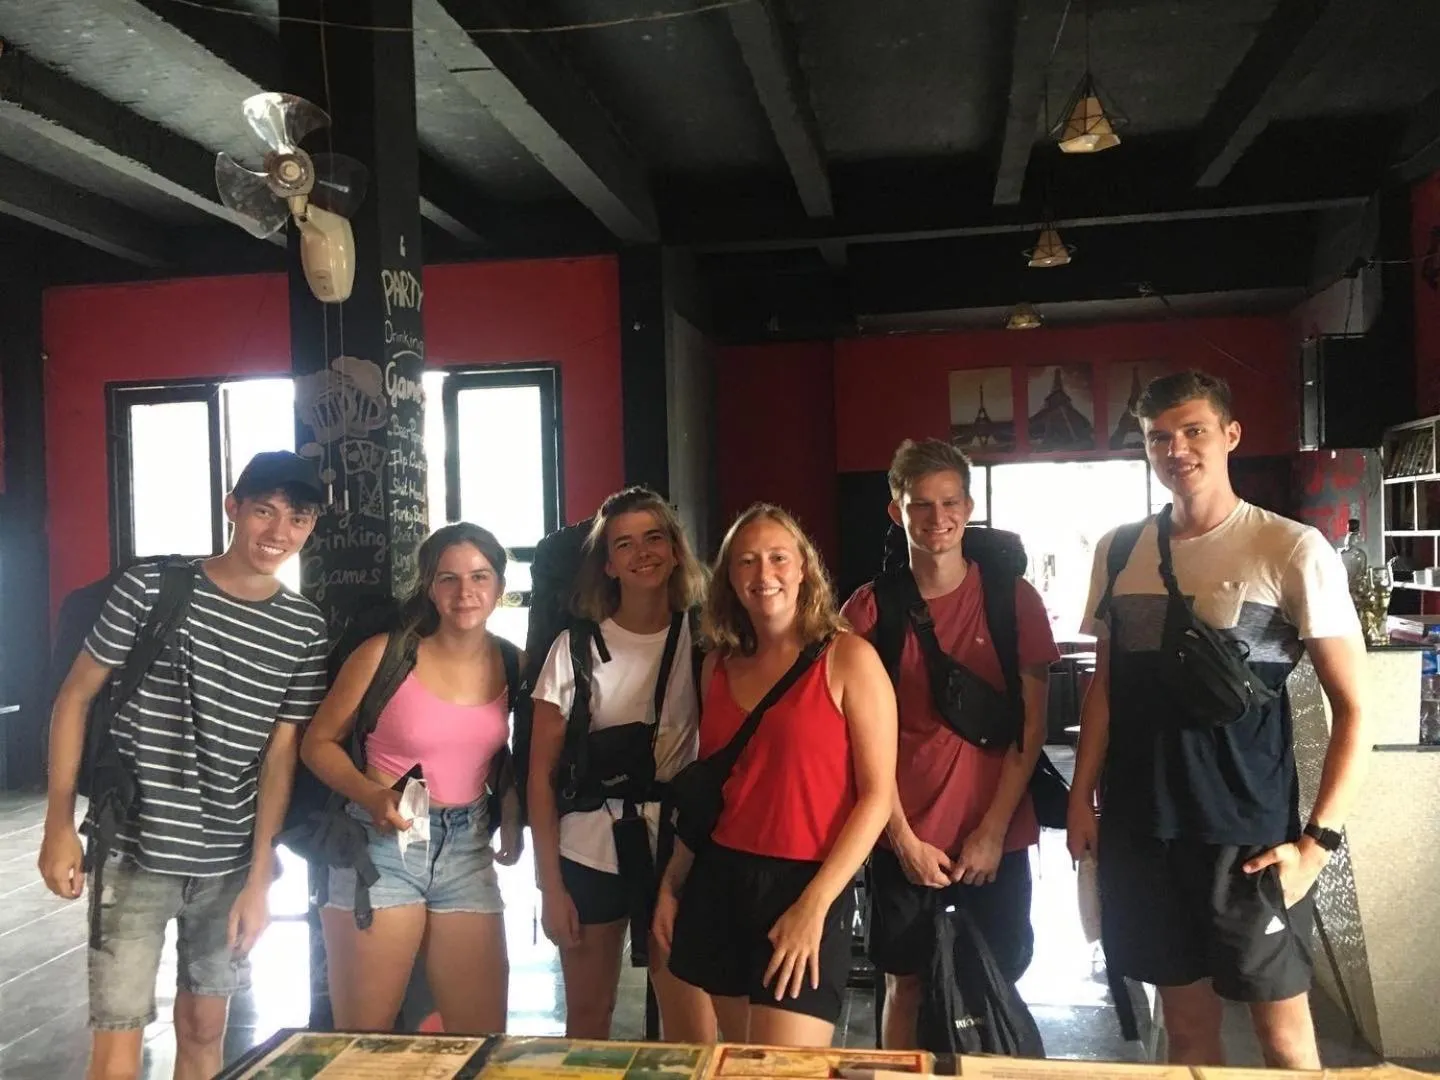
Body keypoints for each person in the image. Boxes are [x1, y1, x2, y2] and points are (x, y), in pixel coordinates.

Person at [1067, 371, 1367, 1068]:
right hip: (1143, 831)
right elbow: (1106, 687)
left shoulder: (1290, 549)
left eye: (1194, 430)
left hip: (1248, 838)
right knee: (1187, 1032)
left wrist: (1317, 844)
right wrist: (1083, 796)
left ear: (1230, 435)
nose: (1177, 449)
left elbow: (1353, 708)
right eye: (1158, 437)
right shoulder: (1117, 549)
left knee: (1285, 1038)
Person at [38, 451, 329, 1080]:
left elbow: (280, 757)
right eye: (264, 511)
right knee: (117, 1043)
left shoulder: (306, 628)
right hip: (134, 851)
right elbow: (75, 696)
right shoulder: (150, 589)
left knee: (205, 1030)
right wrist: (58, 821)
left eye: (298, 519)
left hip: (228, 864)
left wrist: (260, 880)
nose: (278, 532)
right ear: (233, 507)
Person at [842, 438, 1058, 1049]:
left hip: (996, 836)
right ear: (896, 512)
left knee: (998, 979)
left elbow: (1030, 728)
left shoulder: (1013, 601)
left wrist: (992, 832)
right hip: (903, 833)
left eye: (949, 502)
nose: (937, 519)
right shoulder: (868, 611)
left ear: (968, 504)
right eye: (920, 505)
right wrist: (902, 840)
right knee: (904, 983)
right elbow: (855, 745)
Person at [658, 504, 897, 1048]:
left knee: (783, 1067)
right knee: (740, 1062)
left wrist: (815, 906)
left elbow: (878, 797)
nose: (763, 575)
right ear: (729, 579)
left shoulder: (849, 658)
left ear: (803, 570)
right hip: (719, 880)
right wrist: (672, 884)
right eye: (746, 562)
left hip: (805, 883)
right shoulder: (716, 665)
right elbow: (714, 794)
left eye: (777, 558)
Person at [301, 522, 524, 1034]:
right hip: (380, 844)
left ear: (499, 587)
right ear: (429, 587)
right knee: (365, 1041)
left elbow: (502, 748)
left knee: (481, 1037)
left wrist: (509, 810)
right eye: (448, 578)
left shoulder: (512, 662)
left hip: (466, 847)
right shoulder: (385, 654)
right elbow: (317, 743)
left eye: (479, 576)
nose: (465, 592)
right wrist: (372, 794)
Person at [527, 487, 715, 1040]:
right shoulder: (574, 647)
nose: (643, 553)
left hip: (676, 848)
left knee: (691, 1025)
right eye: (625, 544)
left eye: (654, 538)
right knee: (588, 1017)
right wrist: (549, 886)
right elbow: (541, 773)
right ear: (607, 563)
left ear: (676, 549)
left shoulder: (706, 641)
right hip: (587, 846)